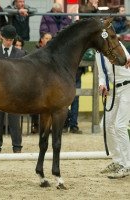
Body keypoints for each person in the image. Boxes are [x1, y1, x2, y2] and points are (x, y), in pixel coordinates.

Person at [63, 0, 99, 134]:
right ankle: (65, 123)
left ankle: (73, 124)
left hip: (77, 66)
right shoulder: (77, 14)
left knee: (75, 96)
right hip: (68, 67)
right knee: (65, 95)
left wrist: (95, 11)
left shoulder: (87, 15)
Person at [96, 42, 130, 179]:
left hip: (128, 86)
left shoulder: (116, 44)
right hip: (114, 89)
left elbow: (126, 59)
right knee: (105, 125)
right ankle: (118, 161)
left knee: (120, 126)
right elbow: (101, 73)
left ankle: (128, 165)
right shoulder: (98, 53)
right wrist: (102, 84)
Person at [0, 25, 26, 153]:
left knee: (15, 121)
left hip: (15, 93)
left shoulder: (21, 54)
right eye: (7, 39)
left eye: (11, 40)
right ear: (1, 38)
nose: (9, 42)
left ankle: (17, 146)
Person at [30, 32, 52, 133]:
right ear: (41, 40)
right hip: (36, 83)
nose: (48, 40)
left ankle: (48, 126)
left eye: (50, 38)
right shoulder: (36, 52)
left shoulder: (54, 53)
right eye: (46, 38)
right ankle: (35, 124)